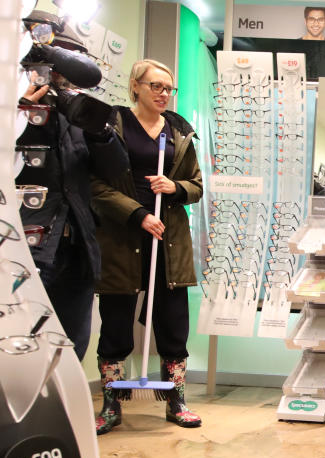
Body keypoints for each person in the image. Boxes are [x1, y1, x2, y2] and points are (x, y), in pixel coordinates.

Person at [90, 59, 203, 435]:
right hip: (123, 237)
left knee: (173, 322)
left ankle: (176, 400)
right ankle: (111, 404)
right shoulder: (111, 127)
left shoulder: (179, 132)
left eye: (168, 88)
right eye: (155, 86)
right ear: (135, 86)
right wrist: (137, 213)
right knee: (116, 321)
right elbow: (95, 186)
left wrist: (175, 188)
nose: (163, 94)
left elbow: (197, 186)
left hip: (168, 238)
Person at [16, 11, 125, 359]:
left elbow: (117, 170)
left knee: (70, 349)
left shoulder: (76, 113)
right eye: (53, 61)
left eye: (66, 63)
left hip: (77, 249)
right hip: (26, 249)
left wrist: (100, 133)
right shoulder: (13, 109)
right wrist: (20, 114)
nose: (59, 75)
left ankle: (61, 414)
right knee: (20, 346)